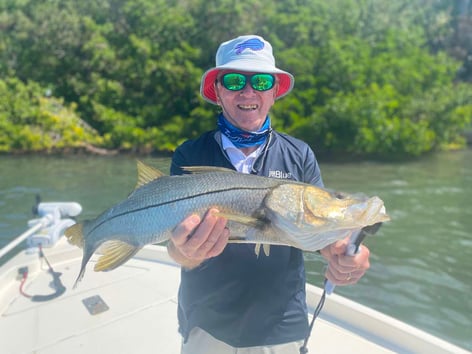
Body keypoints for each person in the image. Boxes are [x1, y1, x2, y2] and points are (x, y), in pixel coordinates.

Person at [167, 35, 371, 354]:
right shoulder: (189, 155)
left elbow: (319, 231)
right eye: (234, 80)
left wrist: (346, 254)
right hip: (207, 323)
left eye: (261, 81)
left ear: (274, 92)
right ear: (218, 92)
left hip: (280, 326)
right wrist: (185, 252)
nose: (248, 91)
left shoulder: (300, 155)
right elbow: (175, 244)